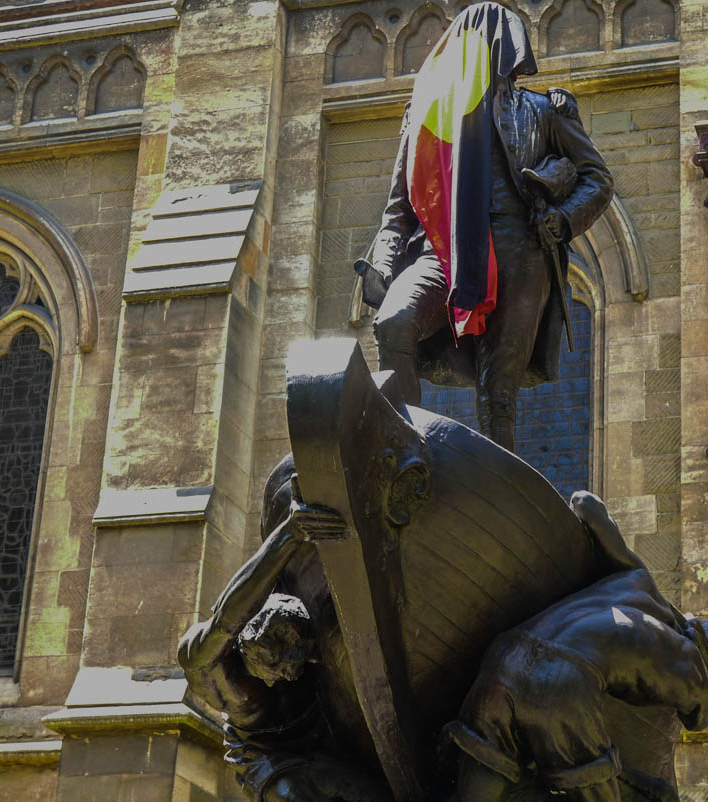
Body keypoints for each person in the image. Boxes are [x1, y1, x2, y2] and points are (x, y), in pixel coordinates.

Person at [356, 1, 612, 450]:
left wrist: (563, 218)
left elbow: (597, 178)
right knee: (394, 323)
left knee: (498, 398)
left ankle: (500, 488)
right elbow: (399, 208)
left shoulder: (544, 110)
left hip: (519, 255)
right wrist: (383, 263)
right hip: (444, 252)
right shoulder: (427, 116)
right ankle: (404, 451)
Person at [442, 495, 708, 802]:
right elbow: (698, 717)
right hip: (562, 682)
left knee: (478, 784)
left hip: (505, 655)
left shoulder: (638, 578)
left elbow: (586, 504)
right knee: (595, 783)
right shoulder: (690, 660)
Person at [177, 460, 389, 802]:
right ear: (248, 642)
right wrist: (289, 533)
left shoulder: (304, 630)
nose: (288, 675)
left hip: (327, 742)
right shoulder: (213, 668)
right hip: (266, 756)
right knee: (290, 796)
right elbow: (225, 620)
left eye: (296, 666)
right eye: (276, 665)